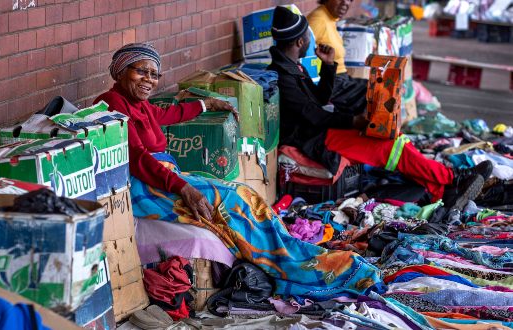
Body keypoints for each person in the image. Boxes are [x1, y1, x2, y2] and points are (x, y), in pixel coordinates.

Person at [95, 42, 383, 300]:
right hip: (147, 186)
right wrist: (183, 187)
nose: (149, 80)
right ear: (120, 71)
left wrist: (207, 104)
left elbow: (167, 113)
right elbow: (137, 159)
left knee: (245, 194)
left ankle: (292, 252)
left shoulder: (139, 104)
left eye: (154, 74)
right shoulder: (110, 104)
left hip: (163, 177)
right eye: (141, 71)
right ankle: (288, 265)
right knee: (234, 202)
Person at [268, 6, 492, 212]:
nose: (311, 38)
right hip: (311, 139)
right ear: (299, 42)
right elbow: (314, 115)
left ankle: (443, 190)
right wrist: (353, 121)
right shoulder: (282, 75)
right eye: (308, 34)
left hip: (318, 132)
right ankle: (453, 178)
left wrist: (328, 65)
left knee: (395, 138)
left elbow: (320, 98)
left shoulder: (292, 68)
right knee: (388, 145)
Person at [307, 0, 368, 115]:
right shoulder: (318, 20)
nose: (346, 3)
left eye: (350, 0)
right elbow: (302, 54)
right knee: (375, 93)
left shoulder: (330, 18)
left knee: (376, 85)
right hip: (331, 83)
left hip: (341, 79)